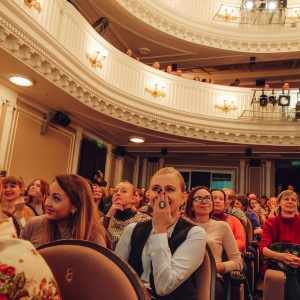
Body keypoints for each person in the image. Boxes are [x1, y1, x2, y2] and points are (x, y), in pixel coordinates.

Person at [115, 167, 206, 299]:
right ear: (148, 194)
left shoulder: (195, 233)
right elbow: (115, 273)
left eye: (170, 189)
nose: (161, 195)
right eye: (156, 189)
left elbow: (164, 286)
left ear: (183, 198)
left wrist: (160, 231)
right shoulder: (132, 229)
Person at [20, 174, 111, 249]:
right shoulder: (34, 224)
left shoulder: (93, 235)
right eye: (49, 195)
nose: (47, 203)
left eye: (56, 198)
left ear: (75, 206)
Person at [185, 186, 243, 300]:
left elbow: (238, 262)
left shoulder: (222, 226)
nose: (204, 201)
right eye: (198, 198)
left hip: (213, 276)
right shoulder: (183, 226)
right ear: (191, 205)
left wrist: (212, 267)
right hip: (184, 275)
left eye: (207, 198)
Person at [259, 190, 300, 300]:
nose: (290, 202)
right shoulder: (271, 222)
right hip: (276, 261)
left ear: (297, 204)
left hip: (298, 261)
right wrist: (283, 257)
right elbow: (263, 249)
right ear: (279, 203)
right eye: (286, 199)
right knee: (289, 270)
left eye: (293, 200)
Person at [103, 180, 152, 248]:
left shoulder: (144, 219)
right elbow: (98, 243)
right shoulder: (104, 220)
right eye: (116, 191)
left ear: (132, 198)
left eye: (124, 191)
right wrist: (108, 216)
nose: (118, 193)